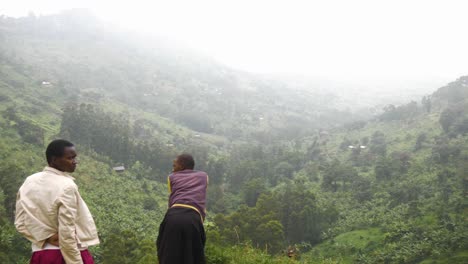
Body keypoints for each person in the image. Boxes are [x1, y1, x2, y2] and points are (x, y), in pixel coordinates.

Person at [15, 139, 99, 264]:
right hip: (66, 256)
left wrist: (45, 238)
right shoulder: (67, 186)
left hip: (41, 255)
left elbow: (20, 223)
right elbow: (67, 233)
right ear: (54, 160)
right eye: (70, 158)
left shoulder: (29, 181)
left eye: (75, 157)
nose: (75, 162)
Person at [156, 153, 209, 264]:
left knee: (167, 253)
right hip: (193, 219)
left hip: (173, 216)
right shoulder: (204, 176)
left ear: (182, 166)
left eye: (175, 166)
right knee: (194, 255)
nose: (173, 169)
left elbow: (172, 198)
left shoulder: (172, 178)